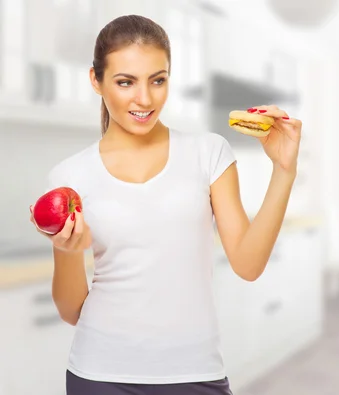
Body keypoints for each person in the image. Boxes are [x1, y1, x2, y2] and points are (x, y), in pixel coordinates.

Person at [28, 14, 301, 395]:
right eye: (126, 82)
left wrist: (283, 171)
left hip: (195, 373)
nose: (145, 99)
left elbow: (248, 264)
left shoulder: (209, 153)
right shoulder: (69, 176)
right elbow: (71, 311)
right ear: (96, 80)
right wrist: (67, 250)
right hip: (100, 375)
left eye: (158, 80)